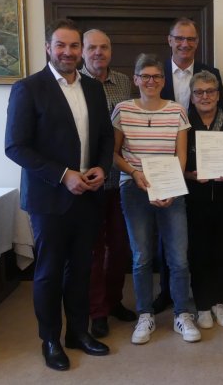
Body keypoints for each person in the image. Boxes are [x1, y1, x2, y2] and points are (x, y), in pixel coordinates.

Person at [4, 19, 112, 371]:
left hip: (88, 197)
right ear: (48, 48)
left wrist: (101, 168)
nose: (68, 52)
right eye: (61, 45)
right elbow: (15, 146)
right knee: (49, 272)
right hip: (49, 199)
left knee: (80, 269)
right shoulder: (28, 88)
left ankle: (77, 332)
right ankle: (50, 339)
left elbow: (106, 137)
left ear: (82, 51)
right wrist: (64, 175)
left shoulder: (94, 89)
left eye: (74, 46)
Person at [111, 53, 200, 344]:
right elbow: (113, 154)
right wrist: (136, 174)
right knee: (141, 256)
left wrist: (170, 186)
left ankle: (182, 314)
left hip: (171, 189)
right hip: (134, 189)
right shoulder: (122, 110)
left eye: (157, 77)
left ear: (163, 81)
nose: (151, 81)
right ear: (135, 79)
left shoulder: (177, 110)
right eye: (145, 76)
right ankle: (145, 314)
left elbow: (181, 154)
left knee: (178, 256)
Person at [154, 17, 223, 313]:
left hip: (199, 165)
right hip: (164, 161)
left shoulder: (212, 74)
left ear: (198, 42)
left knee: (196, 235)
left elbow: (221, 121)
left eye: (191, 39)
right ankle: (166, 292)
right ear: (169, 40)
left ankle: (202, 294)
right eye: (179, 38)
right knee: (166, 232)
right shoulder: (156, 74)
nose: (185, 44)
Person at [79, 29, 138, 338]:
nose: (98, 53)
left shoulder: (125, 84)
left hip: (120, 179)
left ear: (111, 52)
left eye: (103, 47)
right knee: (93, 251)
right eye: (92, 48)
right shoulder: (75, 85)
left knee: (119, 247)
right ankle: (97, 311)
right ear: (82, 52)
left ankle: (114, 302)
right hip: (87, 182)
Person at [183, 70, 223, 329]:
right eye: (199, 92)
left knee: (222, 249)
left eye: (210, 91)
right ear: (192, 95)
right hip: (194, 199)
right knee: (198, 252)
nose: (205, 96)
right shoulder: (183, 126)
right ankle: (201, 304)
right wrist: (189, 175)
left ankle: (219, 301)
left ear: (218, 95)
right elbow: (176, 165)